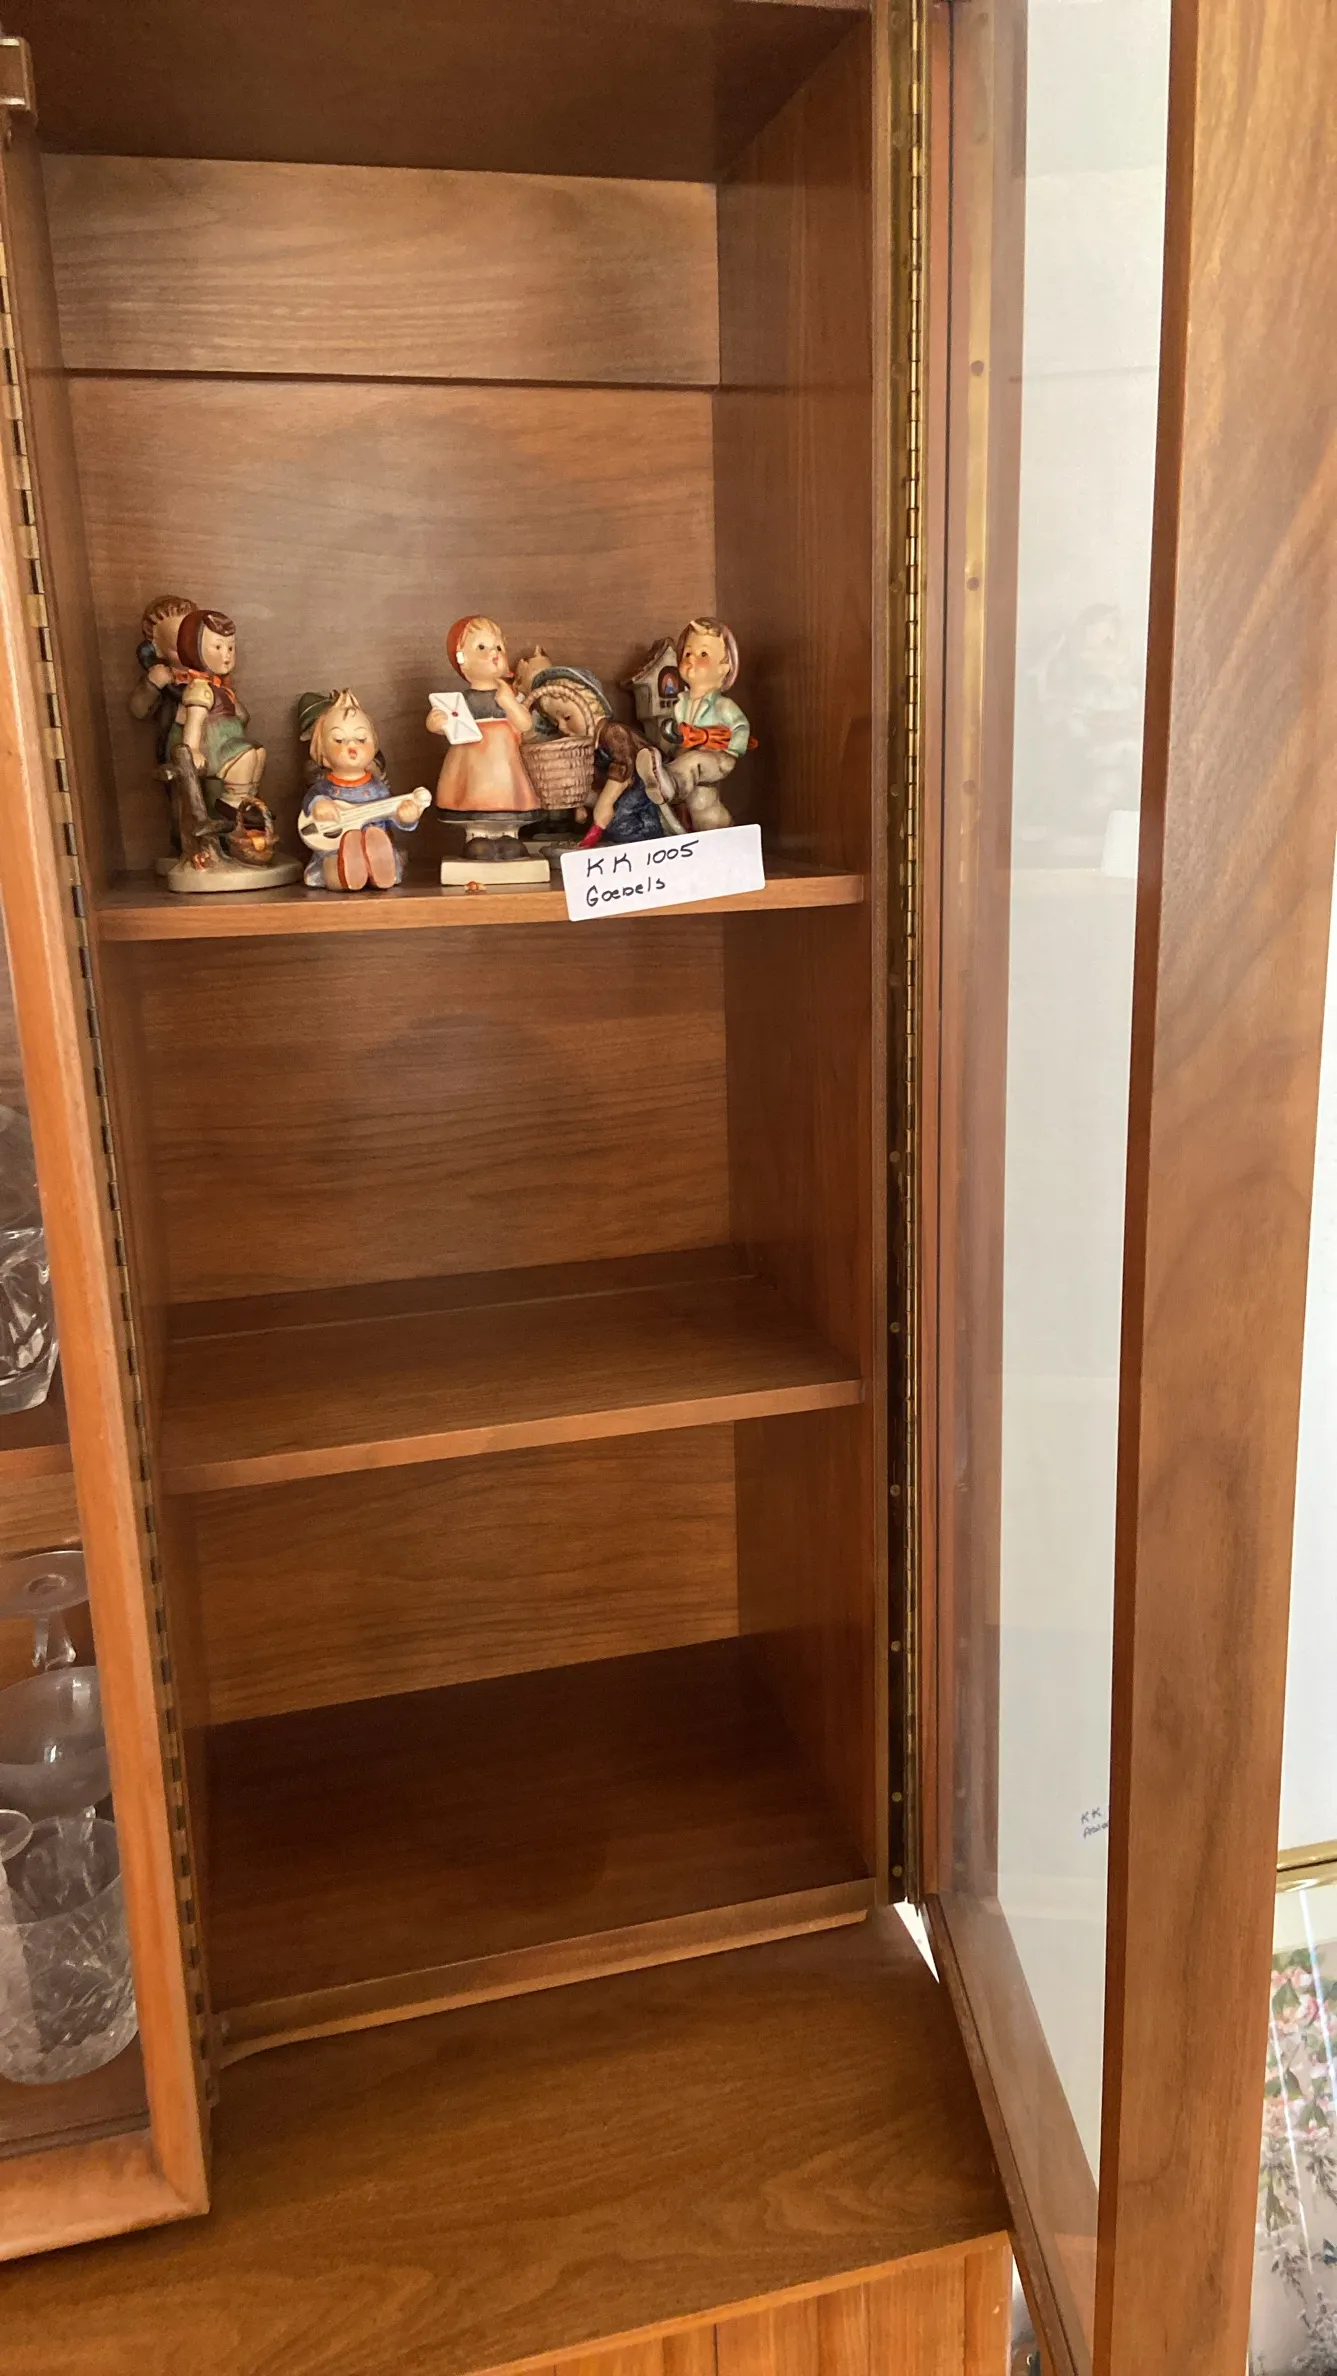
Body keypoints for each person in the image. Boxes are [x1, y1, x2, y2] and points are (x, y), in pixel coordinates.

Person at [427, 615, 540, 862]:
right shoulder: (464, 700)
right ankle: (476, 836)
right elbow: (447, 722)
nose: (494, 653)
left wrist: (509, 703)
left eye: (498, 647)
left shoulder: (508, 694)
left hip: (506, 761)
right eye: (482, 647)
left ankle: (509, 836)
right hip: (473, 761)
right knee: (475, 795)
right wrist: (437, 722)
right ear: (462, 659)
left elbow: (525, 724)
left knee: (509, 794)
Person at [664, 617, 751, 830]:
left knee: (694, 761)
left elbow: (741, 727)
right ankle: (721, 830)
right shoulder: (681, 704)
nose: (692, 659)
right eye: (687, 654)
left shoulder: (723, 706)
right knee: (701, 803)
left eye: (703, 654)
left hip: (717, 757)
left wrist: (731, 750)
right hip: (687, 759)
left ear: (724, 668)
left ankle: (668, 784)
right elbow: (675, 733)